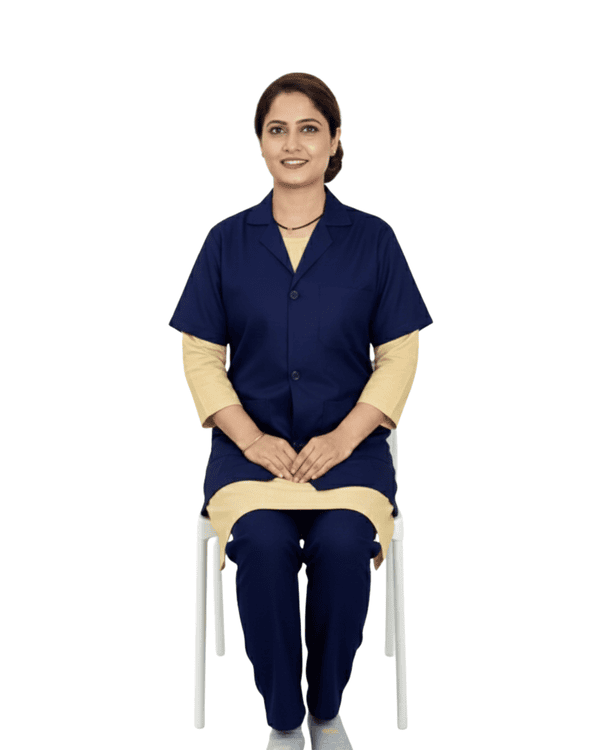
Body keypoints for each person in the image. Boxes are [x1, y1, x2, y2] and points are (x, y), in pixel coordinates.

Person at [169, 72, 433, 750]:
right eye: (277, 129)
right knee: (262, 544)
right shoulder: (226, 241)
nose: (293, 144)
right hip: (249, 456)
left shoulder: (373, 239)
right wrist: (250, 439)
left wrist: (345, 437)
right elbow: (201, 354)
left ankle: (327, 708)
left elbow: (399, 354)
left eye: (309, 128)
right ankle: (285, 721)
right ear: (260, 143)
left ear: (335, 140)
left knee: (343, 546)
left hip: (351, 456)